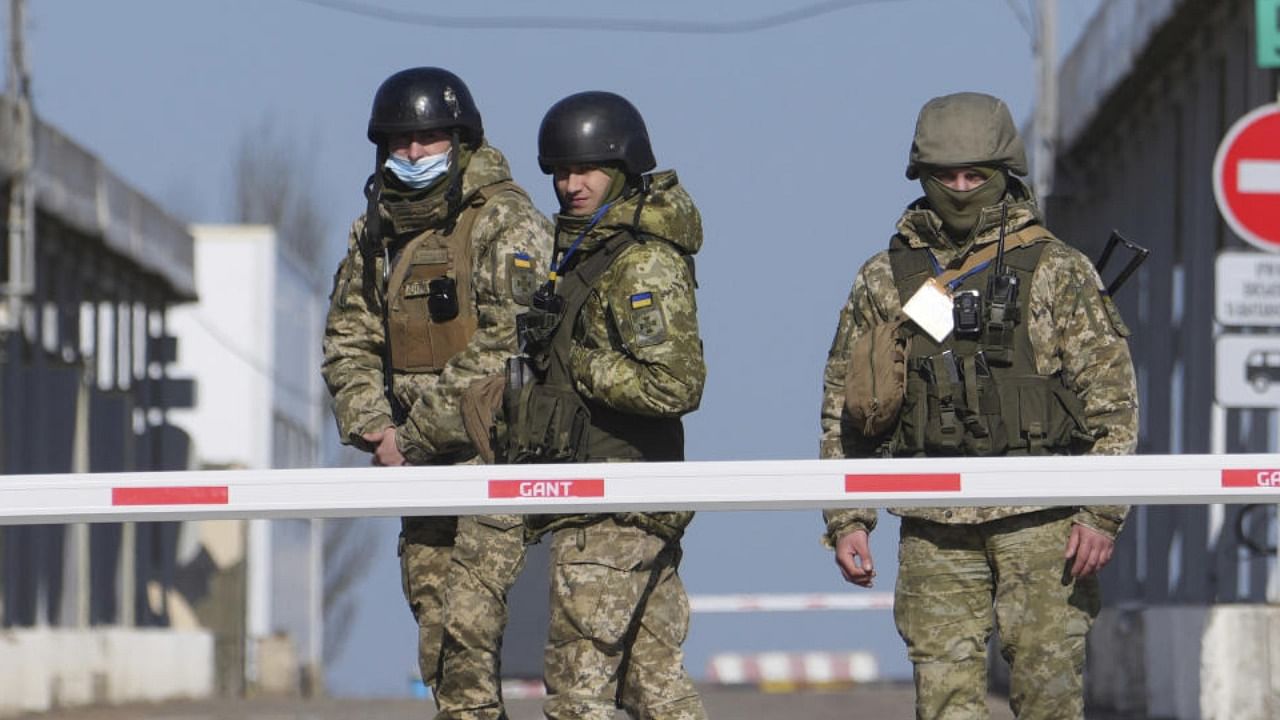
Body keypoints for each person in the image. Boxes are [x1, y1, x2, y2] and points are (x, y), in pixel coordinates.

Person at [820, 92, 1138, 720]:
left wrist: (1101, 515)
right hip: (934, 526)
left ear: (1004, 174)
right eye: (946, 176)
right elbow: (845, 405)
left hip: (1042, 522)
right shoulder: (885, 278)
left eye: (975, 176)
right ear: (923, 177)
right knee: (944, 702)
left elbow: (1113, 400)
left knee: (1048, 697)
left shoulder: (1057, 269)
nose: (960, 189)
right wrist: (847, 517)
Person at [321, 66, 551, 715]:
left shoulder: (507, 221)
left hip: (491, 458)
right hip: (417, 469)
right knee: (439, 646)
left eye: (429, 139)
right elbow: (349, 333)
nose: (416, 153)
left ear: (460, 138)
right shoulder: (378, 233)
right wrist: (374, 425)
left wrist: (415, 434)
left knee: (470, 627)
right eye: (402, 142)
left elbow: (511, 344)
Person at [503, 90, 708, 720]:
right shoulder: (582, 252)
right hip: (601, 503)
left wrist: (581, 366)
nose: (571, 185)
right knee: (658, 690)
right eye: (561, 172)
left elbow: (676, 383)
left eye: (586, 170)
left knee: (578, 693)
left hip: (613, 506)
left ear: (621, 168)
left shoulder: (639, 261)